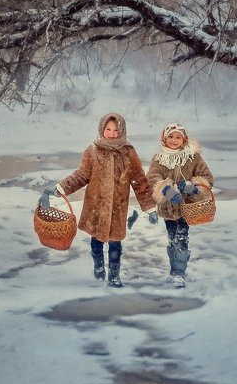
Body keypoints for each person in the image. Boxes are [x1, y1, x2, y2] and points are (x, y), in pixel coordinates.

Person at [39, 112, 157, 288]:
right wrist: (60, 188)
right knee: (96, 242)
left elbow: (139, 181)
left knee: (115, 244)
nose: (111, 133)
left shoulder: (128, 153)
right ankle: (99, 265)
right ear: (102, 129)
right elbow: (80, 176)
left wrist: (150, 208)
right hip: (96, 206)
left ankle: (114, 277)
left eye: (116, 130)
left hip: (118, 208)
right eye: (108, 129)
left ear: (122, 130)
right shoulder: (92, 151)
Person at [146, 122, 215, 288]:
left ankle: (179, 273)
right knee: (172, 237)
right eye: (171, 136)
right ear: (164, 138)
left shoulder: (192, 156)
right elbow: (152, 178)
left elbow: (207, 177)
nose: (174, 140)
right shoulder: (159, 158)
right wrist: (165, 190)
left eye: (178, 137)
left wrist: (193, 187)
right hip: (168, 207)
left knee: (182, 237)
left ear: (184, 139)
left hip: (187, 206)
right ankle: (173, 270)